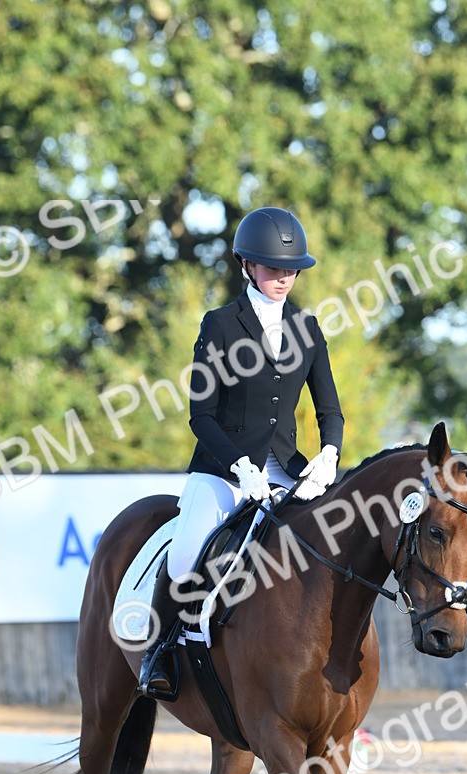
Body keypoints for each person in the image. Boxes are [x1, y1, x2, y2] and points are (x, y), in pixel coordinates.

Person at [139, 206, 345, 694]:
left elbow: (329, 410)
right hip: (222, 472)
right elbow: (201, 415)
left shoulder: (308, 329)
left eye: (292, 269)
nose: (284, 277)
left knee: (335, 546)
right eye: (274, 267)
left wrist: (330, 454)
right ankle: (160, 652)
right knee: (188, 551)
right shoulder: (220, 325)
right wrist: (239, 466)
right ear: (247, 266)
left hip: (288, 475)